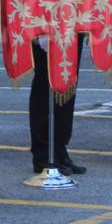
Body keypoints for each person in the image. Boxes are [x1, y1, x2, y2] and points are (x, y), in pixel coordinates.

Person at [29, 35, 87, 174]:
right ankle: (43, 154)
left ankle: (59, 148)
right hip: (46, 20)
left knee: (69, 81)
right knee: (45, 84)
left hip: (71, 20)